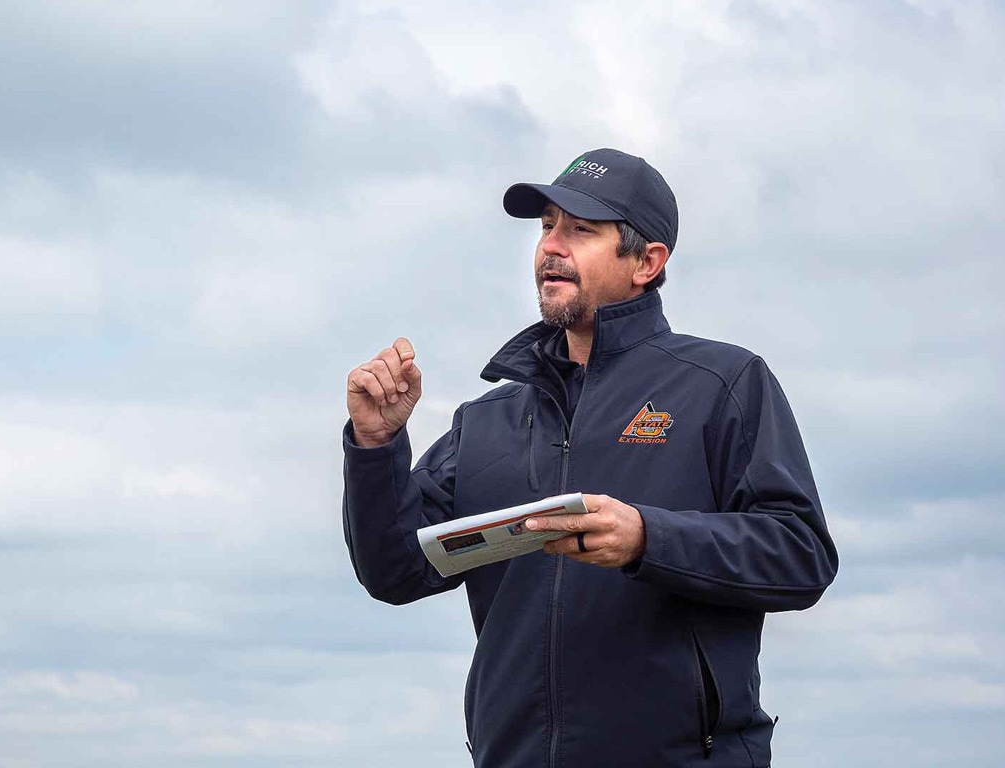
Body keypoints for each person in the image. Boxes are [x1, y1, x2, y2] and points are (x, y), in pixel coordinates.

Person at [341, 148, 838, 767]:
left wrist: (646, 538)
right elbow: (393, 572)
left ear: (647, 262)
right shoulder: (488, 421)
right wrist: (375, 445)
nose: (552, 245)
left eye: (581, 229)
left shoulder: (723, 383)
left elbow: (801, 555)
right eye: (547, 225)